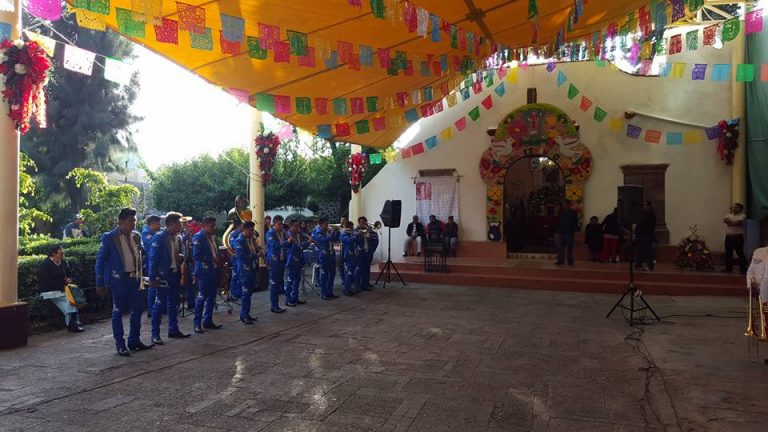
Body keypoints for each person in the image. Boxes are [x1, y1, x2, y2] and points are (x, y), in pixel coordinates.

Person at [95, 207, 153, 356]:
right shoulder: (109, 238)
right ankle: (120, 344)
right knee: (118, 312)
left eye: (135, 220)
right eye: (130, 221)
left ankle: (134, 340)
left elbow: (143, 255)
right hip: (119, 281)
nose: (133, 223)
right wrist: (99, 282)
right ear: (121, 222)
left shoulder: (137, 236)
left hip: (136, 280)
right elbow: (100, 261)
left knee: (138, 310)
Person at [147, 212, 191, 345]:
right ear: (171, 224)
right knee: (159, 304)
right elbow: (153, 259)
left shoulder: (177, 237)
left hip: (174, 273)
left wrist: (181, 257)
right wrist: (152, 277)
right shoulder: (159, 237)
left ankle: (173, 329)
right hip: (163, 275)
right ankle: (155, 334)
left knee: (174, 303)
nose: (181, 226)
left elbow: (180, 255)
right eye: (179, 223)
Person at [38, 244, 83, 333]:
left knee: (71, 302)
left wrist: (69, 279)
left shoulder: (63, 262)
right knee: (71, 299)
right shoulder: (45, 265)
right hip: (50, 291)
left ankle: (72, 324)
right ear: (54, 253)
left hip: (63, 290)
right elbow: (47, 282)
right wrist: (63, 287)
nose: (63, 252)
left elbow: (70, 275)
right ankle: (73, 323)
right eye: (61, 250)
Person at [192, 216, 224, 333]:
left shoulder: (213, 237)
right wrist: (212, 259)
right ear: (204, 226)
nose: (214, 228)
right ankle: (197, 324)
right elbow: (196, 255)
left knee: (212, 298)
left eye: (214, 225)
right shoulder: (198, 237)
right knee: (201, 298)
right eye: (212, 226)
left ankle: (208, 320)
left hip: (213, 271)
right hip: (204, 272)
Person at [235, 221, 263, 325]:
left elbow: (253, 251)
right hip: (244, 270)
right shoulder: (239, 241)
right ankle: (244, 315)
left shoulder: (250, 239)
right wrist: (256, 255)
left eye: (253, 230)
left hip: (251, 268)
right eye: (250, 230)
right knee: (245, 293)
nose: (252, 233)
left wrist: (257, 250)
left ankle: (247, 313)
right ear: (244, 229)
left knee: (249, 293)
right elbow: (242, 256)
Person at [312, 218, 340, 300]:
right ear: (321, 225)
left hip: (331, 254)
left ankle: (329, 292)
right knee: (324, 274)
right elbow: (325, 240)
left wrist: (337, 232)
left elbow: (335, 239)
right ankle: (323, 293)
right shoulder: (317, 232)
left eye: (328, 224)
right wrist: (332, 232)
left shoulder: (327, 232)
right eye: (326, 224)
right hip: (323, 256)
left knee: (332, 274)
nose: (327, 226)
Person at [266, 215, 289, 313]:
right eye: (279, 224)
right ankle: (274, 306)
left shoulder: (283, 233)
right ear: (274, 224)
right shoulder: (270, 233)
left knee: (279, 283)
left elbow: (287, 244)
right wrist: (286, 242)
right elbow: (274, 245)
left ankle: (277, 305)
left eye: (282, 224)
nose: (281, 226)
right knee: (274, 284)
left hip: (281, 260)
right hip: (274, 261)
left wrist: (289, 241)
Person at [284, 219, 310, 307]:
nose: (298, 227)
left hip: (298, 259)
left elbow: (300, 245)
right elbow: (297, 246)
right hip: (291, 260)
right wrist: (308, 242)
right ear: (291, 226)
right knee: (290, 280)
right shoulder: (288, 234)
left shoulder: (298, 234)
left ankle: (295, 297)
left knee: (297, 280)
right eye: (295, 226)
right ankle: (288, 299)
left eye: (298, 226)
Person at [142, 214, 162, 319]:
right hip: (151, 263)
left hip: (159, 263)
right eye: (158, 224)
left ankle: (159, 308)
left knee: (160, 286)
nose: (160, 226)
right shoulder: (146, 233)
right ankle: (150, 310)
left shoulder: (155, 232)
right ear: (151, 224)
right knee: (152, 287)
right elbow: (150, 246)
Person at [723, 203, 747, 274]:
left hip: (738, 237)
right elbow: (725, 220)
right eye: (734, 207)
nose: (734, 208)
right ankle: (728, 268)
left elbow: (738, 223)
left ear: (740, 209)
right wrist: (732, 223)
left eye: (736, 207)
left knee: (740, 253)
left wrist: (731, 223)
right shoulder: (728, 215)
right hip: (729, 237)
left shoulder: (743, 216)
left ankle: (743, 269)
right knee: (728, 253)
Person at [355, 216, 377, 291]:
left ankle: (366, 283)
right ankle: (359, 285)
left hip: (368, 252)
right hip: (360, 252)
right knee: (360, 269)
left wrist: (370, 233)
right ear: (359, 223)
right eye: (362, 222)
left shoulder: (370, 231)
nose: (363, 224)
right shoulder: (356, 231)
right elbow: (355, 241)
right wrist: (360, 235)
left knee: (367, 269)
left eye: (365, 222)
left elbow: (375, 240)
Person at [634, 201, 657, 271]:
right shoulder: (643, 214)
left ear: (649, 206)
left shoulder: (651, 214)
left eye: (645, 205)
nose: (643, 206)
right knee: (639, 250)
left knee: (649, 251)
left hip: (647, 235)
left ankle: (650, 266)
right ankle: (638, 264)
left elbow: (649, 225)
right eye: (643, 205)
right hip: (640, 235)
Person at [180, 216, 197, 310]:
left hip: (188, 260)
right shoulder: (178, 233)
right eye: (183, 223)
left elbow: (191, 245)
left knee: (190, 282)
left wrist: (191, 237)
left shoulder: (188, 233)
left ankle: (191, 302)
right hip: (180, 261)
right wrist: (187, 235)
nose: (185, 225)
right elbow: (181, 241)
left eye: (186, 223)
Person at [555, 200, 579, 266]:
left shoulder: (573, 212)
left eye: (565, 204)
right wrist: (558, 230)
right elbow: (558, 221)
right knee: (560, 247)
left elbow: (576, 222)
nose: (564, 205)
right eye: (563, 204)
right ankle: (560, 260)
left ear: (569, 204)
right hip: (562, 232)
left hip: (569, 232)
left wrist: (573, 229)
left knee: (569, 248)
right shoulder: (561, 212)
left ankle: (570, 261)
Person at [340, 221, 359, 296]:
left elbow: (356, 241)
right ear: (347, 227)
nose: (352, 228)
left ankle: (351, 288)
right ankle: (346, 290)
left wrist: (360, 235)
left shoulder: (352, 234)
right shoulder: (343, 234)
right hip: (348, 256)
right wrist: (357, 235)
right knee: (348, 273)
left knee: (352, 273)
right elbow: (349, 240)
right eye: (351, 227)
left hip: (354, 255)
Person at [227, 219, 244, 302]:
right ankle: (233, 293)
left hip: (241, 258)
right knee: (236, 276)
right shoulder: (234, 234)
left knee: (240, 275)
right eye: (242, 225)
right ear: (238, 226)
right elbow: (234, 245)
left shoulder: (241, 234)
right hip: (235, 258)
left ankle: (239, 292)